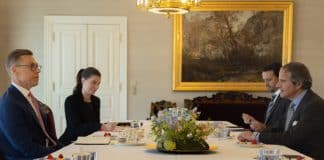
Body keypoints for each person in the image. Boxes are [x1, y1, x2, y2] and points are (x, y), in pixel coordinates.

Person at [238, 62, 324, 159]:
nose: (278, 85)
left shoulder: (314, 105)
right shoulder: (293, 102)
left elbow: (292, 137)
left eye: (282, 81)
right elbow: (281, 129)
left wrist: (256, 137)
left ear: (299, 84)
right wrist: (256, 134)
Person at [0, 49, 60, 159]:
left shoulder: (30, 99)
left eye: (37, 66)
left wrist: (64, 150)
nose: (37, 70)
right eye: (32, 66)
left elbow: (45, 137)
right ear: (14, 70)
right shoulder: (8, 104)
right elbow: (25, 148)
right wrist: (58, 155)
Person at [59, 67, 116, 146]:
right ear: (83, 80)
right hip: (70, 142)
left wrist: (105, 126)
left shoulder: (96, 100)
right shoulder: (71, 101)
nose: (96, 87)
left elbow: (94, 124)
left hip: (89, 140)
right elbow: (75, 129)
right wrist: (101, 126)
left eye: (98, 84)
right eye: (93, 82)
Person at [242, 62, 290, 131]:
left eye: (269, 80)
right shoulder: (275, 97)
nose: (266, 84)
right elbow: (270, 126)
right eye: (264, 80)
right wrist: (254, 122)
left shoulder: (287, 98)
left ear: (280, 78)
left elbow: (283, 129)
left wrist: (262, 127)